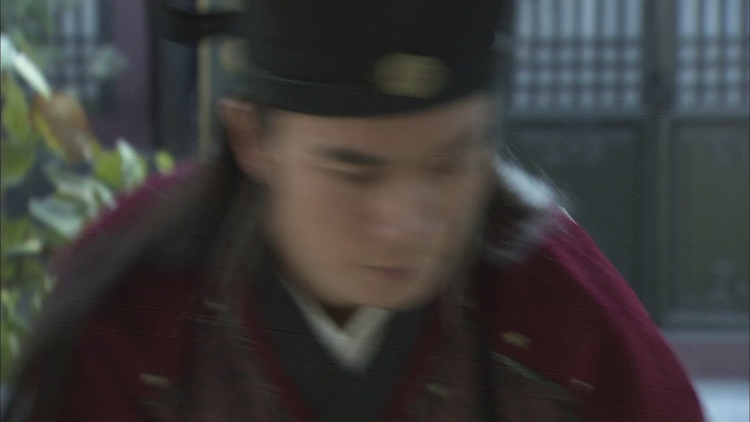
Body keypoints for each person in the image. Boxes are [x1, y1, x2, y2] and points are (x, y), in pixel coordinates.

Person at [2, 1, 705, 421]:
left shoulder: (555, 314)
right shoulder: (134, 318)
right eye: (354, 172)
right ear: (251, 139)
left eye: (450, 163)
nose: (409, 222)